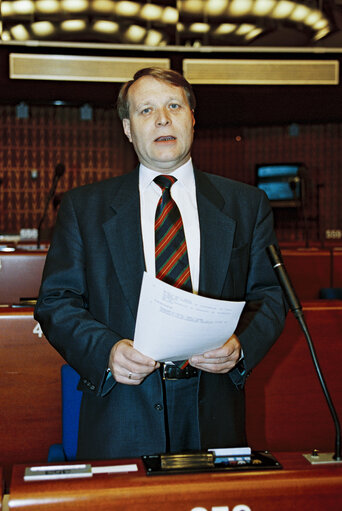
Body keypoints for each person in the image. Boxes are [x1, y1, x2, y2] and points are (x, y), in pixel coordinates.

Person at [35, 67, 287, 460]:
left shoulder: (246, 205)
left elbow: (270, 297)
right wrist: (106, 351)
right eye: (146, 110)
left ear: (191, 118)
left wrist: (241, 348)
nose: (162, 119)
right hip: (123, 409)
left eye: (173, 105)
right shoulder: (84, 208)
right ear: (128, 128)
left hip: (215, 407)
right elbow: (56, 302)